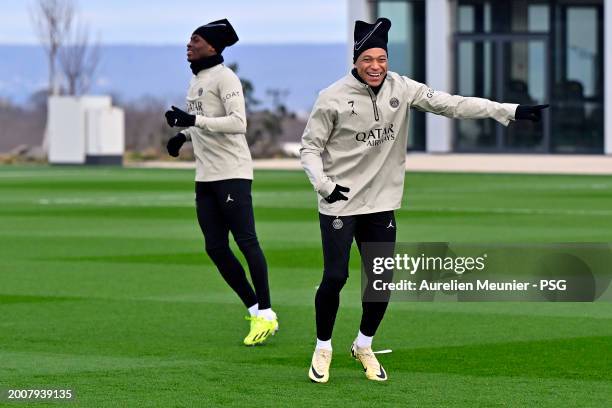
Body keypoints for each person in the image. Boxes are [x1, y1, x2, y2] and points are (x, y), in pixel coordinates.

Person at [300, 17, 548, 383]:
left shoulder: (403, 87)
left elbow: (453, 105)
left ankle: (363, 345)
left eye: (382, 58)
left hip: (382, 203)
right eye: (368, 58)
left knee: (381, 280)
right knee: (335, 276)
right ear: (355, 60)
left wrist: (507, 110)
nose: (375, 66)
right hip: (340, 201)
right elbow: (309, 148)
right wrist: (324, 186)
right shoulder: (331, 97)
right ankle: (323, 348)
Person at [164, 19, 278, 346]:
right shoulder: (196, 80)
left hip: (233, 173)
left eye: (195, 40)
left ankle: (267, 312)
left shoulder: (226, 78)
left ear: (212, 47)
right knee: (214, 247)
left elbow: (238, 123)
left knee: (246, 242)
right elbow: (203, 123)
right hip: (206, 176)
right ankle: (255, 308)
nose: (189, 44)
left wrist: (193, 120)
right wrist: (183, 135)